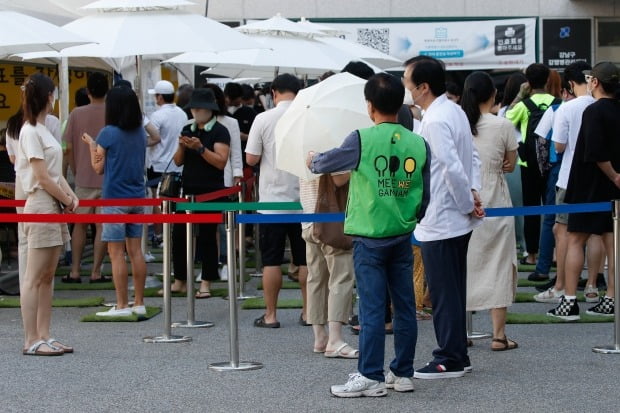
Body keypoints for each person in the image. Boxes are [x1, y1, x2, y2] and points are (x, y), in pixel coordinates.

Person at [308, 72, 429, 397]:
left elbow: (324, 164)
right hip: (402, 235)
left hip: (369, 236)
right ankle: (402, 373)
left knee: (373, 309)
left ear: (370, 106)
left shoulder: (361, 138)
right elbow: (425, 194)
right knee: (404, 307)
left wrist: (312, 160)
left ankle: (370, 376)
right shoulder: (418, 143)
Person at [404, 56, 484, 378]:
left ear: (423, 87)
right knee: (450, 289)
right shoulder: (451, 110)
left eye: (408, 81)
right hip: (452, 214)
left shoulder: (436, 118)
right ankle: (455, 353)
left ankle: (449, 356)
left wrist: (468, 201)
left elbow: (452, 167)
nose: (406, 87)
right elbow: (470, 158)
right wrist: (473, 194)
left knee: (444, 291)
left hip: (443, 217)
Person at [547, 62, 620, 320]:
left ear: (595, 82)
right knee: (612, 241)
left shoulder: (592, 110)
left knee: (576, 239)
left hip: (588, 182)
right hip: (611, 188)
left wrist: (613, 174)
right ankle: (611, 297)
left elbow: (594, 152)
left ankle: (569, 301)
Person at [18, 73, 79, 355]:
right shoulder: (29, 130)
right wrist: (66, 196)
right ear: (47, 96)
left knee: (47, 275)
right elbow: (41, 177)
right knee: (34, 276)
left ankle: (44, 334)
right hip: (41, 203)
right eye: (53, 94)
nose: (55, 98)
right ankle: (31, 339)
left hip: (52, 203)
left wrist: (70, 195)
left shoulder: (43, 129)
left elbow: (54, 172)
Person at [461, 71, 519, 351]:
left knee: (462, 266)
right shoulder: (502, 125)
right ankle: (498, 335)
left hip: (463, 202)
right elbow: (510, 163)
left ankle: (461, 332)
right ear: (492, 95)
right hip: (496, 200)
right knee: (499, 264)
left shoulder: (458, 123)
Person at [532, 62, 599, 303]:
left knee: (564, 233)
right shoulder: (601, 105)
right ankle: (592, 285)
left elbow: (558, 146)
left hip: (569, 177)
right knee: (597, 235)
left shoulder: (566, 109)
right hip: (599, 178)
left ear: (569, 84)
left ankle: (562, 287)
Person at [245, 74, 308, 328]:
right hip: (304, 200)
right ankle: (308, 312)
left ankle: (270, 315)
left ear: (273, 92)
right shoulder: (306, 116)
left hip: (272, 201)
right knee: (305, 260)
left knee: (271, 260)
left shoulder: (263, 118)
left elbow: (251, 159)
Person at [82, 86, 147, 317]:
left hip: (114, 199)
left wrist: (91, 146)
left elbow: (98, 168)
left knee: (116, 252)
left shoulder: (107, 133)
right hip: (138, 197)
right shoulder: (140, 132)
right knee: (136, 251)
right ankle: (139, 302)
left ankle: (121, 305)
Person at [171, 88, 230, 299]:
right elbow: (178, 161)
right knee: (179, 235)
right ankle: (180, 279)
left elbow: (221, 161)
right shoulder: (188, 128)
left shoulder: (220, 131)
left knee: (207, 236)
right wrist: (182, 145)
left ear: (209, 110)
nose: (195, 112)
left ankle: (206, 281)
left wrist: (200, 149)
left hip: (211, 192)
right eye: (193, 108)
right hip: (188, 189)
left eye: (199, 108)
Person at [506, 64, 559, 271]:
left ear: (528, 82)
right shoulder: (558, 103)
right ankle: (553, 252)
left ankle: (532, 255)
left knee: (531, 209)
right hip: (552, 162)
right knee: (552, 209)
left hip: (528, 162)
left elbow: (506, 121)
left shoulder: (523, 105)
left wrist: (520, 95)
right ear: (547, 80)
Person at [62, 72, 109, 284]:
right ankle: (96, 272)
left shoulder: (76, 114)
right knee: (101, 226)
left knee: (79, 225)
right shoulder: (113, 112)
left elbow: (68, 148)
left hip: (83, 178)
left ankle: (74, 271)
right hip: (107, 177)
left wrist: (76, 168)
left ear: (88, 91)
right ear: (107, 91)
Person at [204, 82, 243, 281]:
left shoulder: (230, 122)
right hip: (202, 181)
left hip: (225, 179)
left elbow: (236, 151)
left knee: (225, 224)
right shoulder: (192, 123)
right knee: (206, 227)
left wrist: (237, 175)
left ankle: (227, 262)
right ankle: (210, 266)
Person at [146, 80, 188, 261]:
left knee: (158, 202)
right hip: (179, 163)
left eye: (156, 95)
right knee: (177, 202)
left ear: (160, 96)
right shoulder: (183, 114)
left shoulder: (157, 116)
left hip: (158, 164)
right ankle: (172, 233)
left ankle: (160, 234)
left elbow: (152, 139)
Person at [498, 73, 527, 253]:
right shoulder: (507, 110)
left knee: (518, 205)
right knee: (519, 205)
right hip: (515, 161)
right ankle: (523, 245)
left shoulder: (519, 107)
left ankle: (524, 245)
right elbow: (507, 118)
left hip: (516, 162)